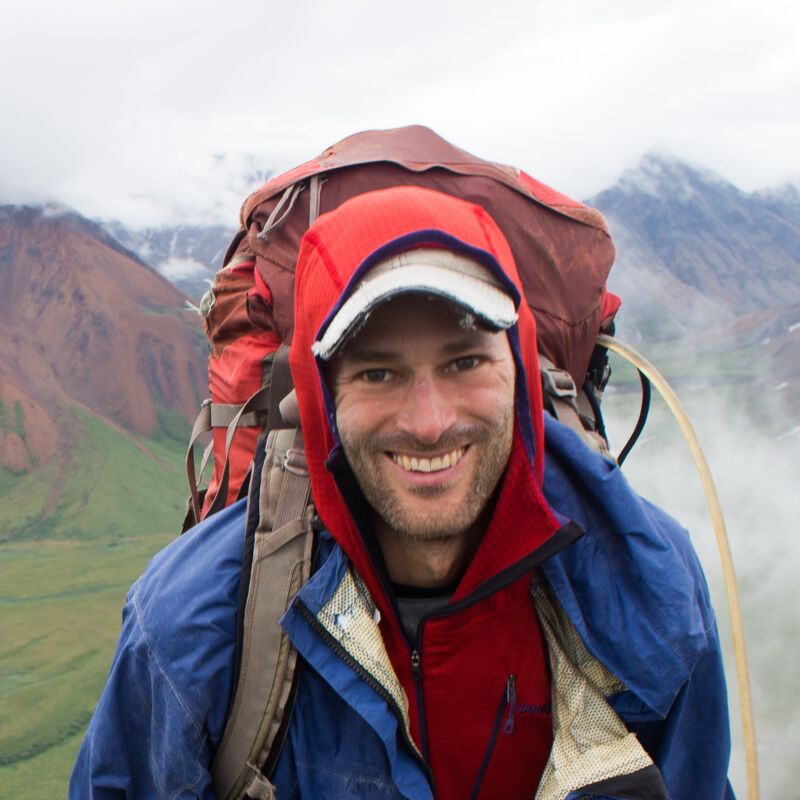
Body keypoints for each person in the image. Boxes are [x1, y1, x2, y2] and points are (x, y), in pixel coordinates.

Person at [70, 186, 734, 799]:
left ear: (519, 368)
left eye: (465, 361)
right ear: (321, 396)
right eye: (379, 372)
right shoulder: (189, 628)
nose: (429, 421)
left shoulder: (646, 583)